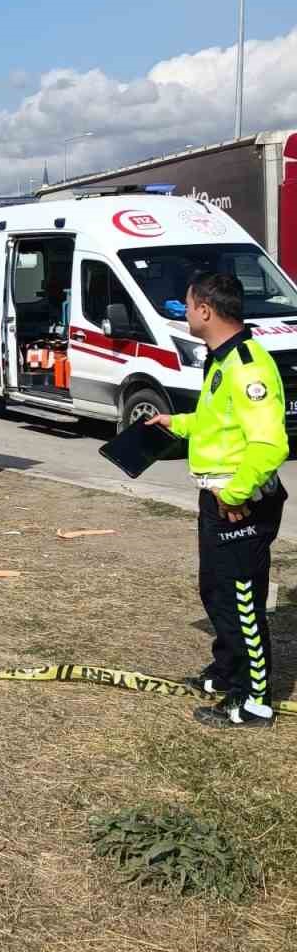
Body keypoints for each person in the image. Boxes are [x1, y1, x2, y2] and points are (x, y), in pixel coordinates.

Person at [147, 272, 288, 728]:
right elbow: (215, 423)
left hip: (238, 502)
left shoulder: (248, 366)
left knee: (241, 600)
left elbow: (269, 444)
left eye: (187, 306)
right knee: (217, 590)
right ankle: (228, 673)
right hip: (218, 497)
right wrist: (177, 424)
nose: (184, 314)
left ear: (205, 310)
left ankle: (255, 700)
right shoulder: (220, 360)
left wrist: (236, 493)